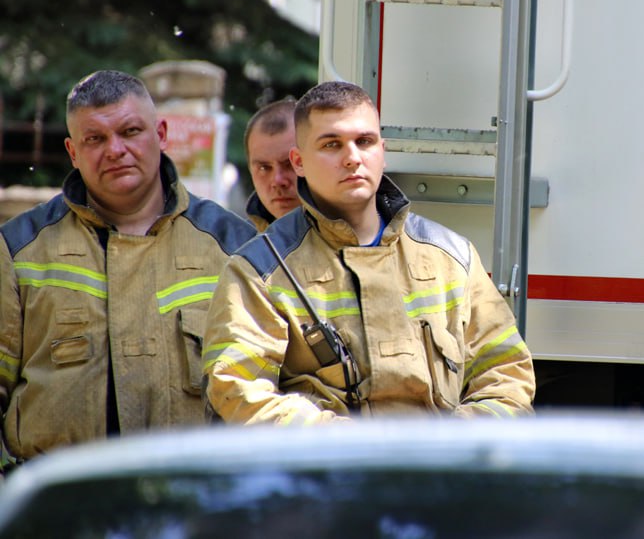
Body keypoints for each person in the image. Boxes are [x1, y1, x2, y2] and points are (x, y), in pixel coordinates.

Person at [202, 80, 535, 421]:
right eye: (332, 145)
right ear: (299, 162)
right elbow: (238, 389)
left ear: (382, 151)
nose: (352, 158)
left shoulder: (452, 256)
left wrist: (451, 441)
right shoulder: (258, 271)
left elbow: (508, 375)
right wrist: (346, 443)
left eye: (364, 142)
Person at [0, 70, 257, 463]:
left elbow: (265, 387)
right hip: (63, 494)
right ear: (73, 152)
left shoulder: (233, 244)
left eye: (130, 131)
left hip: (194, 490)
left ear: (161, 134)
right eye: (95, 139)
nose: (115, 150)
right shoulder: (18, 248)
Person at [243, 98, 300, 231]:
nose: (277, 180)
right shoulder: (241, 242)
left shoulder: (349, 237)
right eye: (264, 168)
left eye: (290, 164)